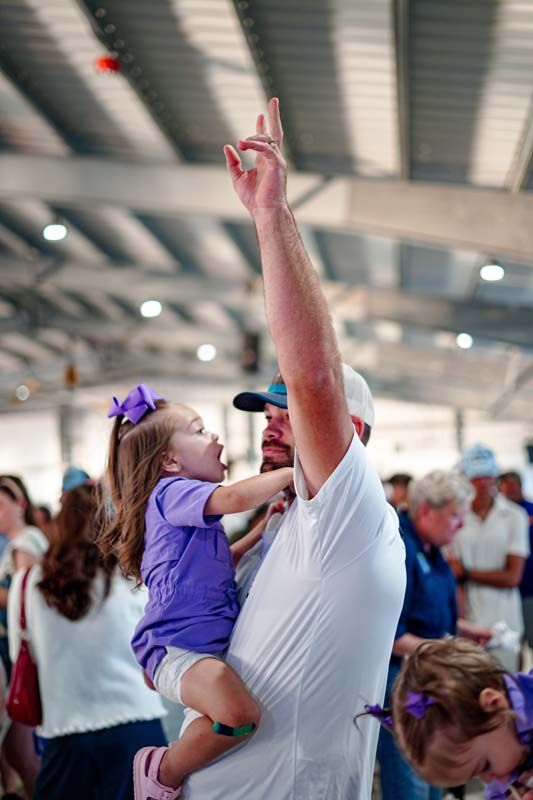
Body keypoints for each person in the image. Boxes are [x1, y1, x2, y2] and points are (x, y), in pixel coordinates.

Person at [179, 98, 406, 799]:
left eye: (289, 418)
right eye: (265, 416)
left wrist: (271, 217)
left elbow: (312, 379)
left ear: (351, 435)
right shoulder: (282, 526)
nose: (272, 427)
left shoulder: (350, 513)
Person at [97, 383, 294, 799]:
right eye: (200, 430)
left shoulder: (187, 516)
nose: (215, 438)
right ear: (170, 460)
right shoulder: (171, 492)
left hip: (189, 652)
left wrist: (263, 529)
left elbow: (223, 565)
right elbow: (236, 496)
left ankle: (173, 766)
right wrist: (293, 474)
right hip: (177, 650)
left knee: (239, 717)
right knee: (241, 715)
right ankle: (162, 771)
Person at [8, 483, 168, 800]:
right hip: (136, 725)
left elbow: (20, 655)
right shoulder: (131, 576)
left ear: (58, 524)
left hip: (65, 732)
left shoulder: (27, 583)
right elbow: (155, 649)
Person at [375, 470, 492, 800]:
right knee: (409, 779)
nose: (461, 526)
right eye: (455, 516)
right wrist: (451, 653)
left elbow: (427, 614)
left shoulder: (433, 547)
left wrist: (463, 631)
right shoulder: (400, 548)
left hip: (429, 672)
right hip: (403, 680)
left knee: (434, 774)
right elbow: (392, 634)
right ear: (426, 510)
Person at [383, 638, 533, 800]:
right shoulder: (502, 744)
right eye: (477, 775)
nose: (489, 779)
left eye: (485, 766)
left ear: (494, 703)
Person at [449, 445, 530, 670]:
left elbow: (513, 576)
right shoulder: (456, 515)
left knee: (506, 688)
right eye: (475, 477)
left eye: (487, 475)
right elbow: (451, 573)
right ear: (464, 478)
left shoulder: (515, 516)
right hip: (468, 618)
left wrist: (466, 573)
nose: (482, 482)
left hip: (505, 619)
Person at [0, 475, 46, 798]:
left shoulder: (24, 543)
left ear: (20, 505)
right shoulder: (24, 541)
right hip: (19, 648)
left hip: (20, 650)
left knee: (24, 750)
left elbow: (24, 595)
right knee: (18, 749)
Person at [499, 471, 533, 653]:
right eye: (505, 486)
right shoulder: (498, 518)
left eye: (513, 485)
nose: (509, 490)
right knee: (512, 643)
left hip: (529, 588)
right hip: (505, 591)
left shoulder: (529, 510)